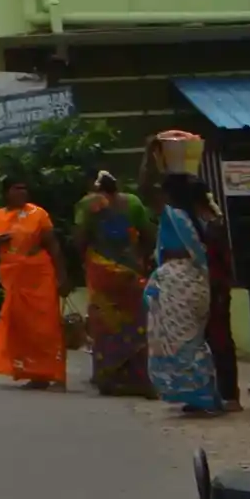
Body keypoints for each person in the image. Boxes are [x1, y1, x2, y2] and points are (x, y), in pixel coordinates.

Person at [150, 171, 227, 414]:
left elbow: (146, 188)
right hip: (197, 281)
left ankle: (202, 397)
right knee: (192, 341)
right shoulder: (202, 217)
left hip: (178, 282)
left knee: (182, 343)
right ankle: (202, 396)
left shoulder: (174, 215)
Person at [74, 169, 154, 398]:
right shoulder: (133, 202)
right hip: (131, 273)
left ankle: (108, 377)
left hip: (102, 274)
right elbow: (149, 235)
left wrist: (85, 262)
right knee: (136, 325)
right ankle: (139, 378)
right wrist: (143, 260)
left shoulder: (88, 204)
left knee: (104, 324)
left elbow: (80, 238)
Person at [0, 177, 66, 389]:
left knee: (45, 325)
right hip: (14, 278)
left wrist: (62, 276)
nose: (22, 192)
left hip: (38, 276)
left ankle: (53, 373)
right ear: (6, 192)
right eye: (17, 188)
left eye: (24, 188)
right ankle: (32, 372)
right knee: (21, 326)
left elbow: (53, 245)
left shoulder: (38, 214)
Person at [198, 181, 244, 412]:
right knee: (213, 340)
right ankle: (219, 393)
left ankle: (228, 394)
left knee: (219, 340)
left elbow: (220, 261)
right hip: (212, 288)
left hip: (215, 288)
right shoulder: (209, 224)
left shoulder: (212, 227)